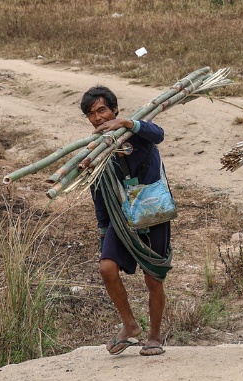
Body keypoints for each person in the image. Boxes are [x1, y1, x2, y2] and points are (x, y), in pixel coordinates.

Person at [84, 86, 170, 357]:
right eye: (91, 114)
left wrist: (125, 123)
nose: (97, 118)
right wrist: (102, 233)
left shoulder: (137, 132)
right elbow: (98, 194)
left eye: (102, 110)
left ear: (114, 109)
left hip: (152, 210)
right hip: (121, 217)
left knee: (153, 278)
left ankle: (154, 337)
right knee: (107, 268)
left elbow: (159, 134)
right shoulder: (96, 152)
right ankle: (130, 325)